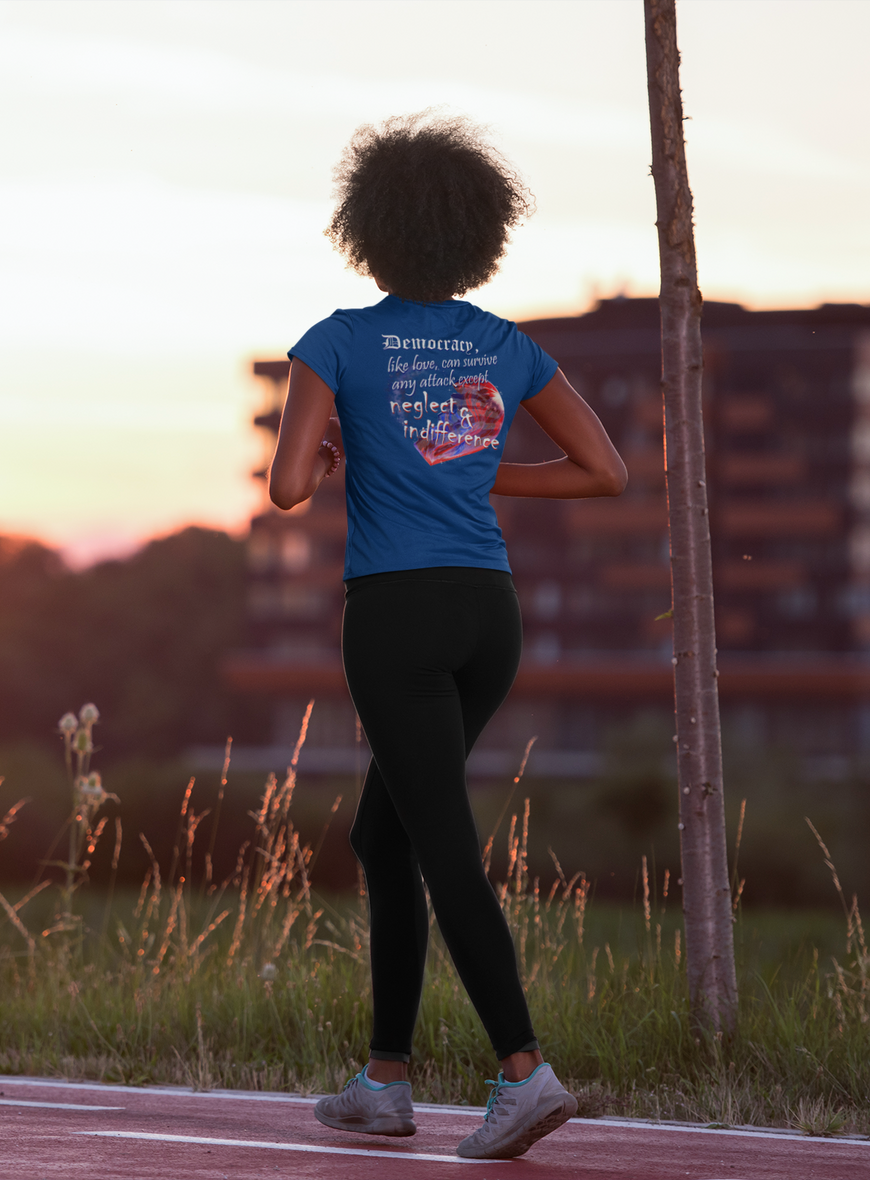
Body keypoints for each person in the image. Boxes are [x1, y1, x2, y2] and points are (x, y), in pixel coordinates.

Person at [269, 114, 627, 1161]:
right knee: (383, 837)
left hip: (395, 615)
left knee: (438, 846)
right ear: (478, 234)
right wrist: (467, 467)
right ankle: (383, 1080)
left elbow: (287, 488)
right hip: (488, 615)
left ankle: (523, 1071)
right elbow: (602, 472)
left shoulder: (334, 340)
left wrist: (350, 451)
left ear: (364, 231)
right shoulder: (502, 344)